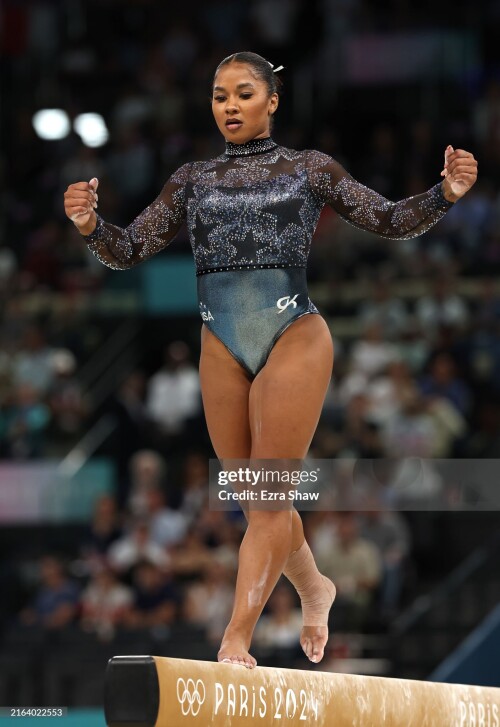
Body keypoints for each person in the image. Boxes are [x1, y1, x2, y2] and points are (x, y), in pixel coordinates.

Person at [64, 51, 478, 668]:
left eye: (243, 94)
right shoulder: (191, 179)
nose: (229, 106)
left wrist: (443, 194)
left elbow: (388, 220)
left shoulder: (310, 169)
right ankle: (315, 588)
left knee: (264, 500)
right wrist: (92, 224)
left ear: (272, 100)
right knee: (262, 502)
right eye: (219, 95)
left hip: (293, 333)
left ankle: (235, 638)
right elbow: (128, 250)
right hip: (220, 342)